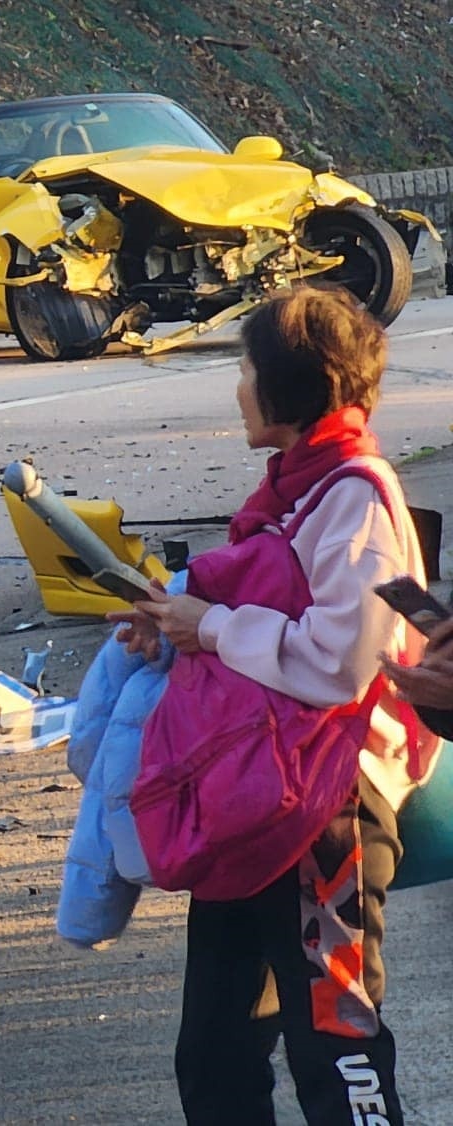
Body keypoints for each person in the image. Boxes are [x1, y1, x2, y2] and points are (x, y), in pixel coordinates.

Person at [108, 285, 434, 1125]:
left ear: (292, 385)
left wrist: (210, 625)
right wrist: (173, 626)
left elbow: (341, 661)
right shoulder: (299, 492)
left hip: (327, 807)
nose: (238, 386)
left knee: (335, 1044)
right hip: (252, 802)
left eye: (247, 367)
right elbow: (272, 619)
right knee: (216, 1054)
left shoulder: (357, 498)